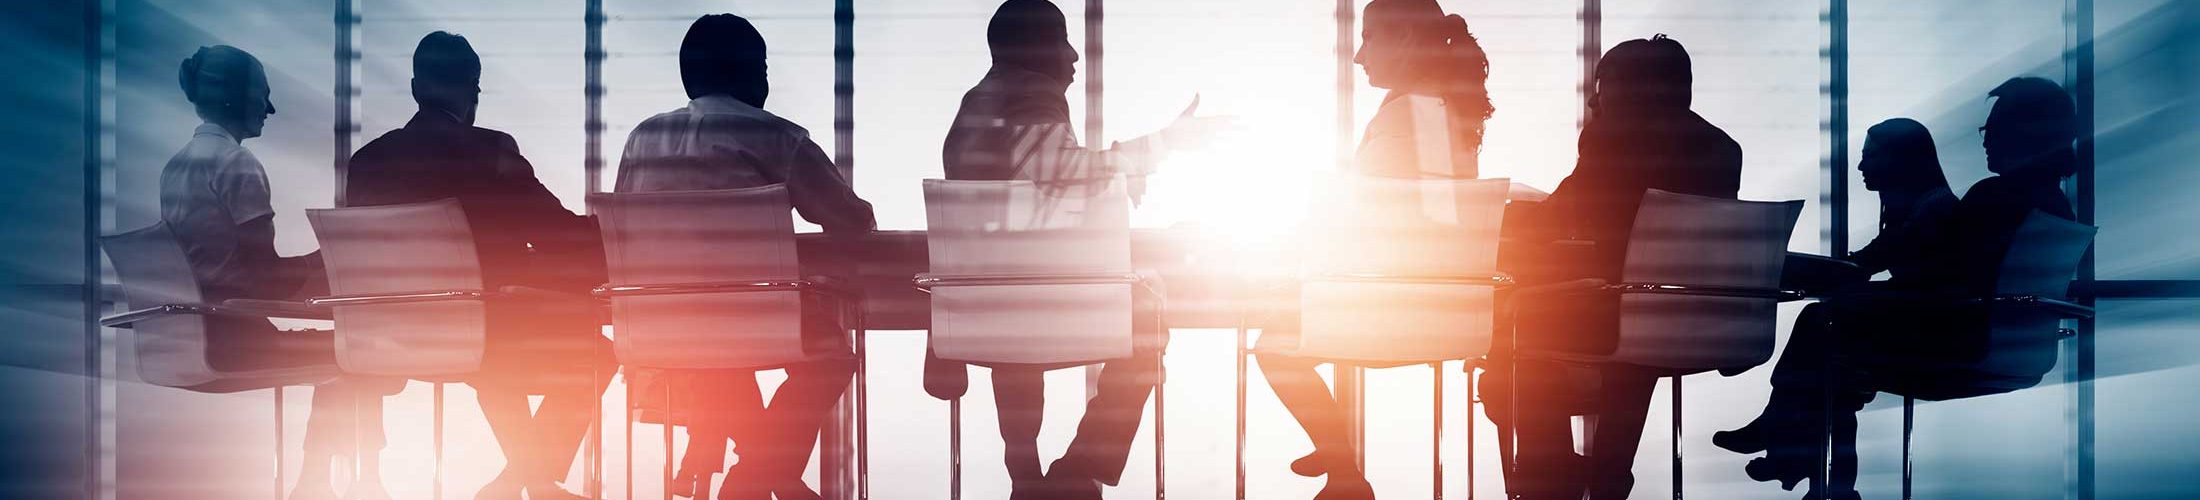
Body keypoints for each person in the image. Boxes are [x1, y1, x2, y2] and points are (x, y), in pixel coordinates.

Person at [1719, 78, 2081, 500]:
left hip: (1958, 342)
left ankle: (1790, 441)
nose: (1986, 140)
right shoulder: (2052, 205)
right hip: (2007, 348)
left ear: (2029, 132)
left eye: (1994, 128)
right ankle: (1814, 470)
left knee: (1822, 322)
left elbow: (1945, 278)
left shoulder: (1997, 197)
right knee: (1834, 367)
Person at [931, 1, 1228, 498]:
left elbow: (1028, 194)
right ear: (1033, 50)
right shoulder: (1031, 94)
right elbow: (1058, 170)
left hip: (989, 308)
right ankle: (1078, 470)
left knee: (1017, 331)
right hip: (1048, 300)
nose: (1073, 57)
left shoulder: (976, 105)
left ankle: (1024, 472)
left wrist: (1111, 181)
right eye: (1063, 41)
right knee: (1148, 322)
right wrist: (1159, 148)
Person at [613, 13, 873, 500]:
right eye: (765, 68)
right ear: (752, 73)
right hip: (750, 321)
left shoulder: (641, 140)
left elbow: (625, 230)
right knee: (832, 356)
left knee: (723, 365)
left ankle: (760, 478)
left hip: (661, 328)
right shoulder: (778, 137)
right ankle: (755, 483)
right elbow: (852, 222)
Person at [342, 32, 611, 500]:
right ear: (474, 89)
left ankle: (520, 482)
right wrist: (610, 236)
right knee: (599, 356)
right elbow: (557, 235)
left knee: (493, 337)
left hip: (394, 338)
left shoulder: (367, 162)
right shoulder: (491, 152)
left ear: (414, 87)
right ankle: (532, 481)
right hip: (484, 332)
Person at [1249, 0, 1494, 497]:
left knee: (1273, 345)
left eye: (1369, 38)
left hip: (1392, 312)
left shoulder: (1410, 113)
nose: (1359, 56)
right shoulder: (1450, 111)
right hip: (1449, 311)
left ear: (1404, 41)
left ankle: (1343, 470)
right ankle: (1336, 452)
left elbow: (1357, 212)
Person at [1481, 34, 1743, 500]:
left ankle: (1551, 475)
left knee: (1518, 330)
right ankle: (1607, 473)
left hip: (1618, 317)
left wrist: (1511, 218)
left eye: (1601, 84)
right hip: (1698, 322)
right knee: (1630, 339)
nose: (1593, 97)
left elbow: (1566, 213)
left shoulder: (1614, 136)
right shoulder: (1723, 148)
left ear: (1624, 88)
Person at [160, 45, 404, 500]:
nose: (270, 109)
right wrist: (324, 259)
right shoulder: (238, 165)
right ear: (235, 97)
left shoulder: (176, 166)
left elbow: (226, 267)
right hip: (235, 340)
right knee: (361, 354)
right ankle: (344, 481)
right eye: (263, 95)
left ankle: (327, 480)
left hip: (191, 336)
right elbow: (264, 278)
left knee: (356, 355)